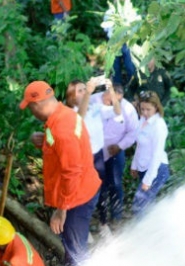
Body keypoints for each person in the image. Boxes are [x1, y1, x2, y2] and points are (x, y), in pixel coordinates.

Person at [20, 80, 101, 266]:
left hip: (77, 197)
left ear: (38, 105)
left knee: (76, 249)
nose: (31, 112)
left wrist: (61, 209)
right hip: (81, 190)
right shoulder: (63, 115)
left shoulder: (61, 130)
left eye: (30, 108)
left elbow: (72, 172)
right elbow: (66, 150)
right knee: (74, 245)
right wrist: (44, 141)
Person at [96, 81, 138, 234]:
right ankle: (102, 220)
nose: (115, 103)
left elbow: (133, 133)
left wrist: (120, 146)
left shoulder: (128, 109)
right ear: (106, 93)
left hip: (115, 151)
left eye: (118, 100)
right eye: (112, 99)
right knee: (98, 185)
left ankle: (116, 217)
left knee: (115, 184)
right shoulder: (93, 101)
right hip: (95, 152)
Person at [129, 91, 170, 217]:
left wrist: (148, 179)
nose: (145, 113)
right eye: (142, 109)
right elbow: (140, 146)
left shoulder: (159, 126)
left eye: (148, 110)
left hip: (156, 170)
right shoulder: (142, 119)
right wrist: (134, 166)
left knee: (139, 204)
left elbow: (156, 155)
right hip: (143, 168)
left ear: (156, 107)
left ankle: (141, 234)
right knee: (147, 206)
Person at [65, 77, 106, 199]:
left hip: (99, 153)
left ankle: (101, 214)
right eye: (80, 91)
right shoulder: (70, 112)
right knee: (87, 189)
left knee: (100, 185)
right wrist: (88, 93)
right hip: (86, 157)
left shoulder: (93, 107)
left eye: (84, 89)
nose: (84, 92)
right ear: (72, 96)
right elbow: (79, 119)